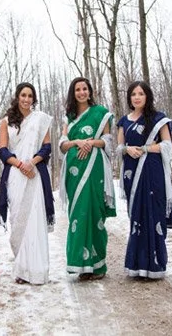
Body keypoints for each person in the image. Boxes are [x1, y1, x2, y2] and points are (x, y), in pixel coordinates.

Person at [117, 81, 172, 280]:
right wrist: (127, 149)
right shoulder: (123, 121)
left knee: (153, 215)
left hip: (152, 171)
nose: (137, 97)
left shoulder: (158, 119)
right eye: (133, 94)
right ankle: (136, 265)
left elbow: (167, 145)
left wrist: (145, 149)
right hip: (131, 173)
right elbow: (119, 147)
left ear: (147, 96)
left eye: (141, 93)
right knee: (137, 218)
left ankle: (155, 266)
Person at [58, 77, 115, 279]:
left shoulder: (101, 114)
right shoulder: (69, 117)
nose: (81, 92)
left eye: (84, 89)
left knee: (95, 212)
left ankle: (97, 265)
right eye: (77, 89)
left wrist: (91, 143)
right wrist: (77, 142)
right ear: (73, 93)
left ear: (90, 91)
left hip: (95, 170)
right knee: (78, 214)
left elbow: (108, 142)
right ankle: (80, 265)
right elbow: (63, 144)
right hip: (75, 171)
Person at [0, 82, 53, 286]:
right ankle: (21, 269)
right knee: (17, 218)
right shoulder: (5, 122)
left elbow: (46, 148)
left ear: (34, 99)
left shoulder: (41, 120)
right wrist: (21, 164)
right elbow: (3, 151)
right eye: (23, 95)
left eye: (30, 96)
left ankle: (37, 270)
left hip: (35, 174)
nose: (26, 99)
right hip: (15, 174)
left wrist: (32, 163)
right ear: (17, 97)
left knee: (35, 219)